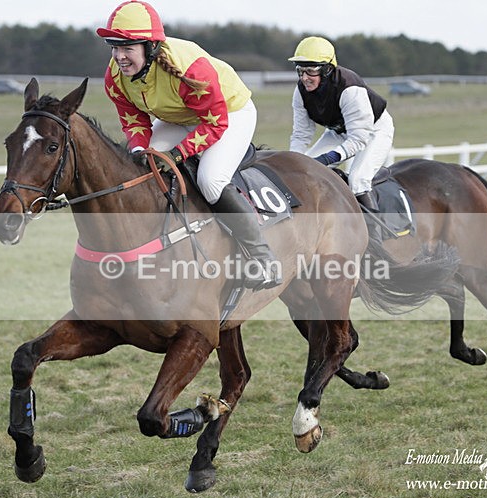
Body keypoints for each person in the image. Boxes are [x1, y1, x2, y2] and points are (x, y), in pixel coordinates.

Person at [96, 0, 281, 290]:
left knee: (210, 180)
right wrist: (138, 152)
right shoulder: (115, 78)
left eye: (127, 48)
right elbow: (134, 122)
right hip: (179, 117)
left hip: (230, 114)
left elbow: (214, 123)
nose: (119, 57)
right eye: (115, 48)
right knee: (139, 167)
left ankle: (264, 260)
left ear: (150, 47)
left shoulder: (190, 69)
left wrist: (176, 154)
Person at [288, 36, 395, 212]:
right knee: (305, 172)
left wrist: (328, 158)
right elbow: (301, 134)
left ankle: (375, 235)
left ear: (327, 70)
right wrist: (291, 162)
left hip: (373, 131)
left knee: (357, 181)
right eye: (300, 70)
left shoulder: (350, 89)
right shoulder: (300, 92)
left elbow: (359, 139)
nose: (304, 77)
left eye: (311, 70)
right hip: (338, 132)